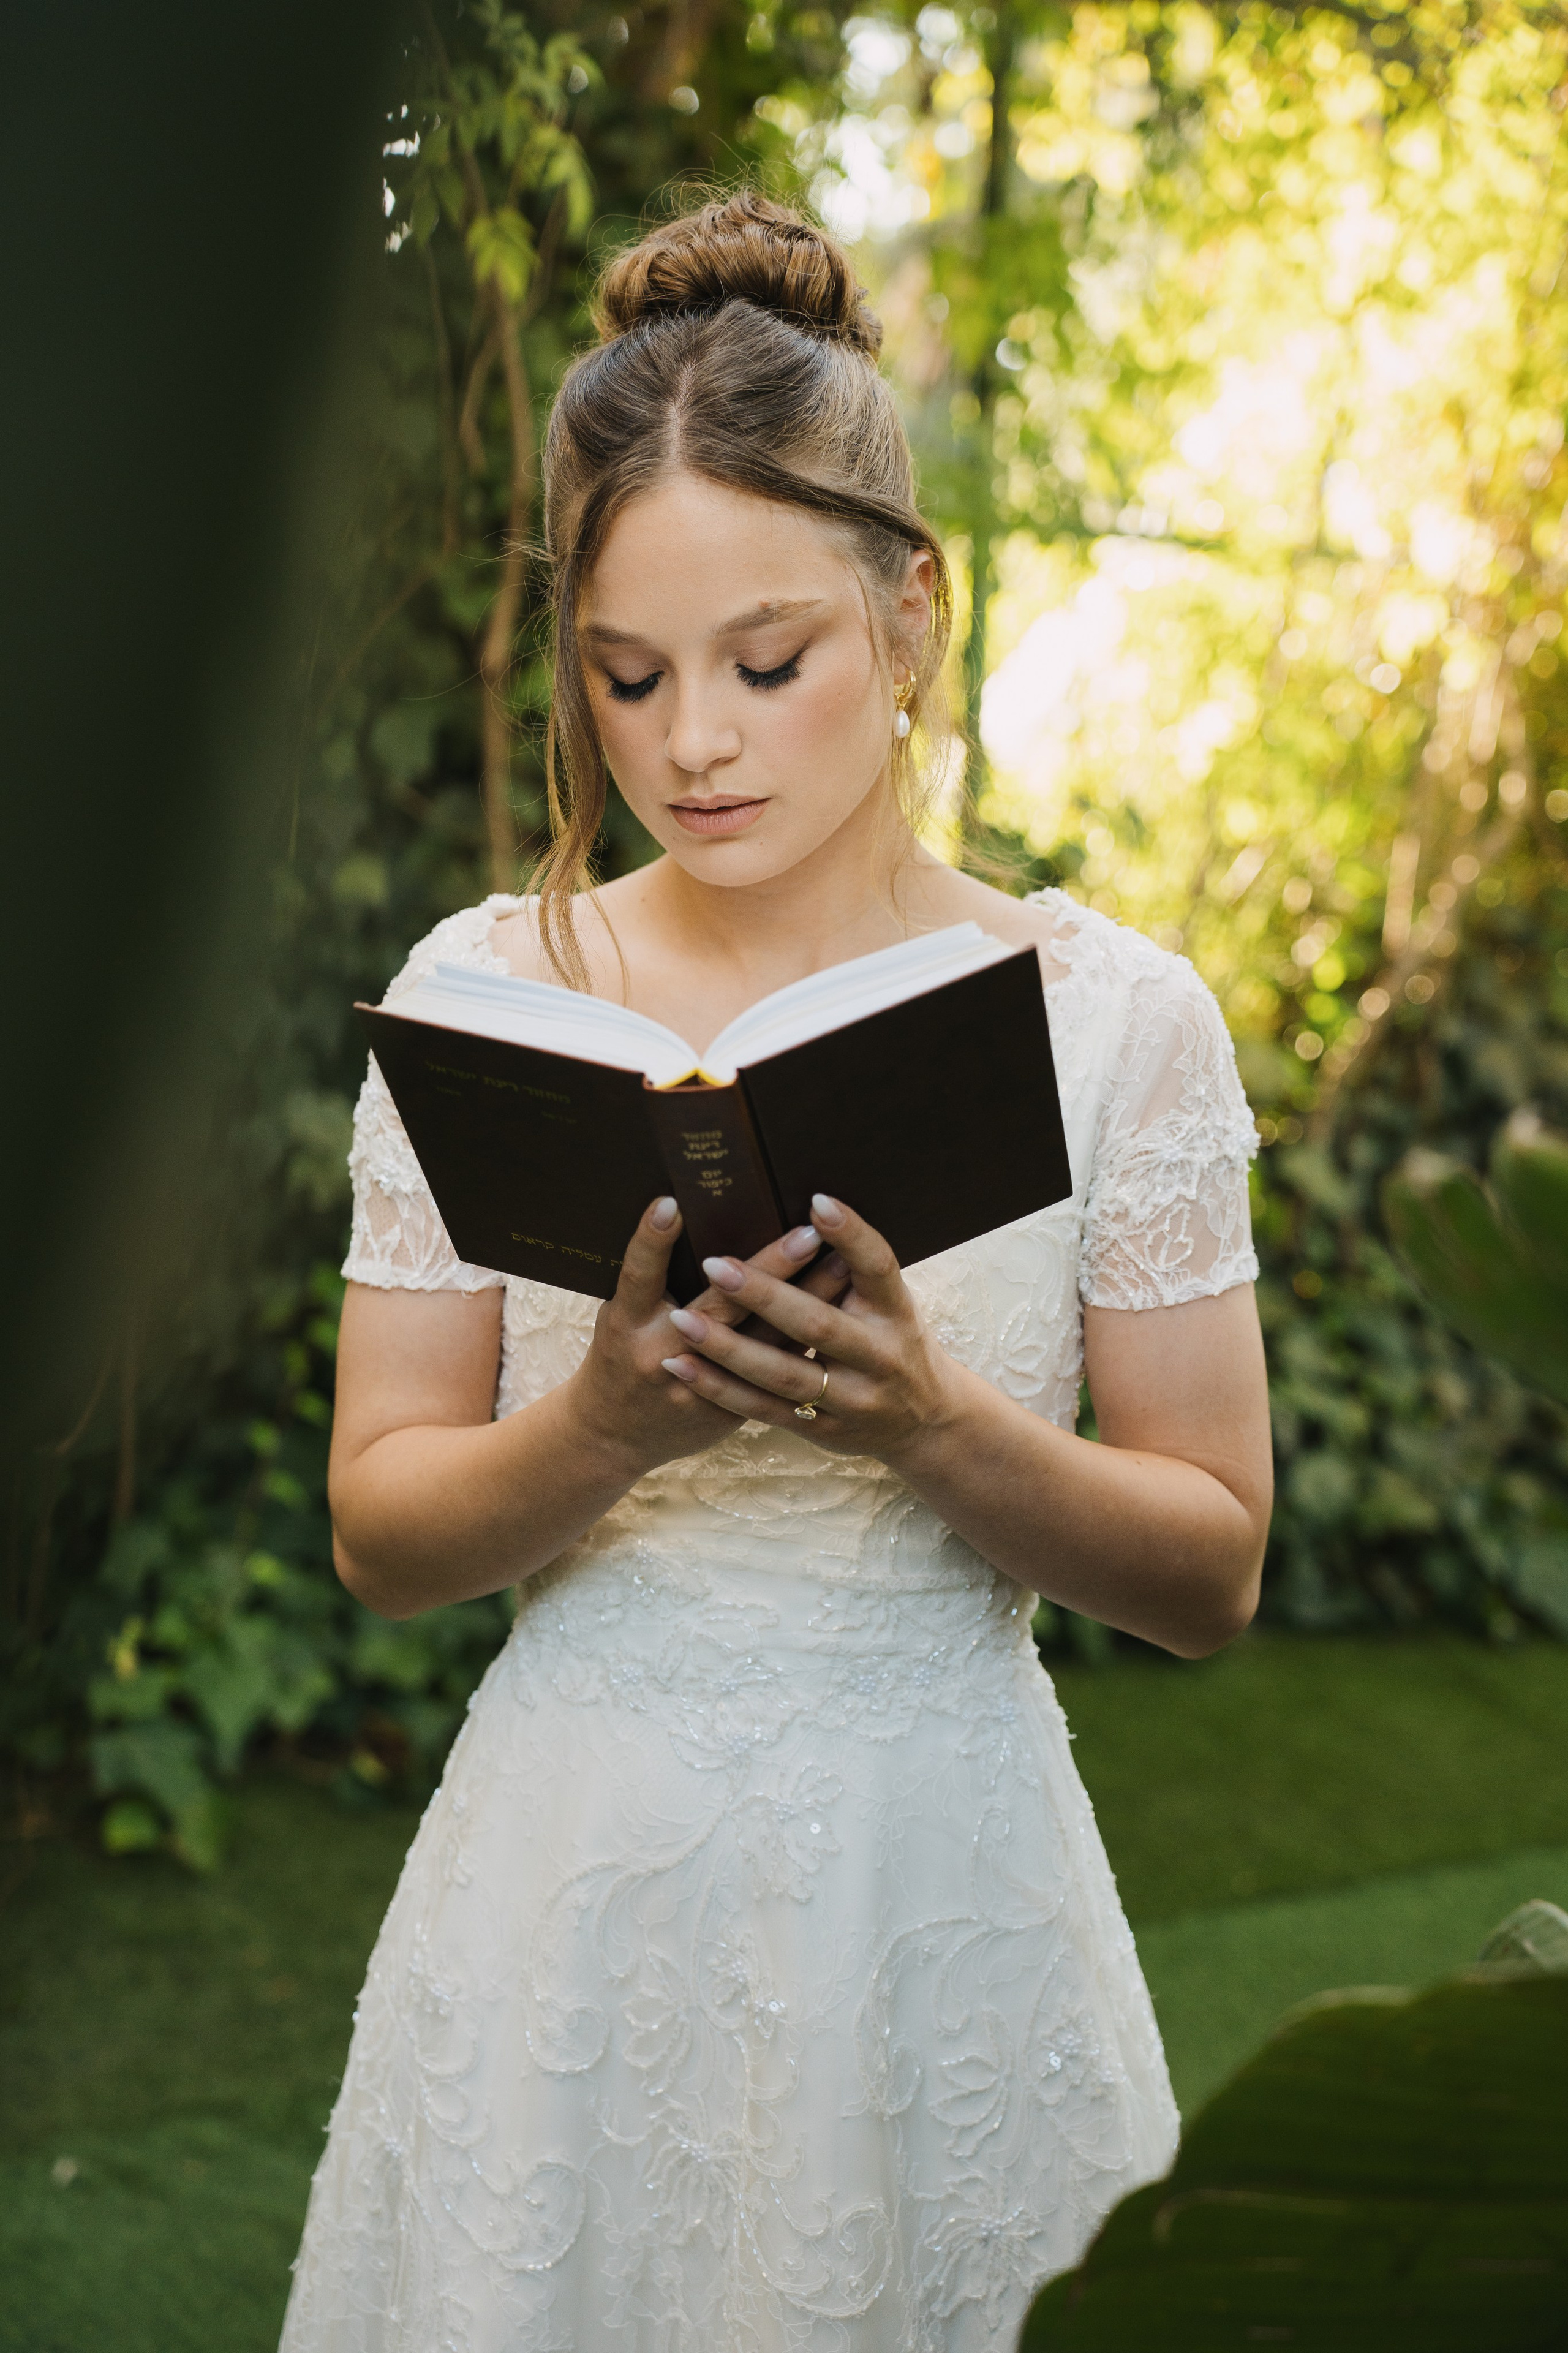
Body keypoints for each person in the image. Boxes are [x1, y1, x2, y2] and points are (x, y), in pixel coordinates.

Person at [281, 189, 1272, 2353]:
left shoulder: (1114, 1020)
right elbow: (380, 1526)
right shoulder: (486, 993)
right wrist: (602, 1422)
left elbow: (1209, 1569)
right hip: (568, 1891)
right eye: (626, 676)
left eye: (767, 663)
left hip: (944, 1887)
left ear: (910, 614)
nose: (693, 743)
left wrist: (934, 1421)